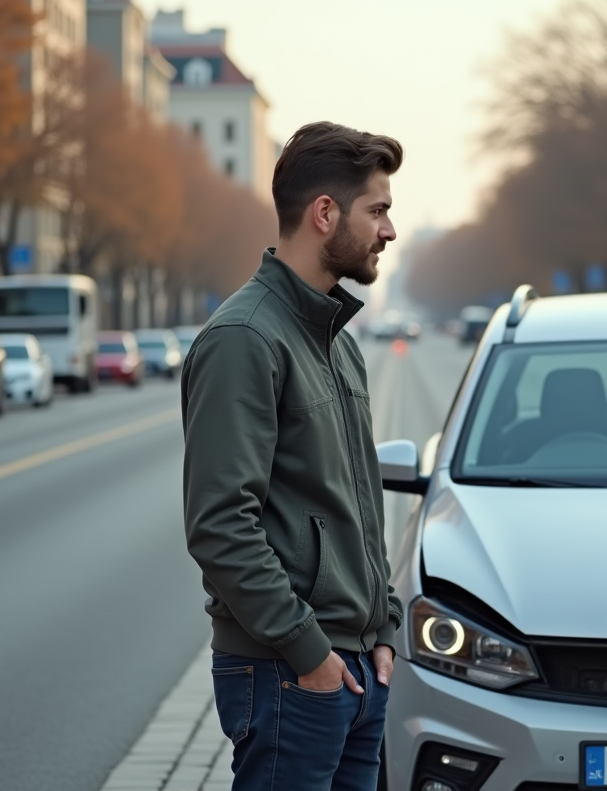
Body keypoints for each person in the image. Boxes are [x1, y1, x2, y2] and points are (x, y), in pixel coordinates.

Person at [181, 121, 403, 791]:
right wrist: (310, 655)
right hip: (290, 674)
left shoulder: (337, 341)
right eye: (379, 210)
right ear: (324, 213)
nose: (389, 230)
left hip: (354, 670)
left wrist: (384, 626)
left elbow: (355, 501)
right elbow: (220, 525)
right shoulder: (245, 339)